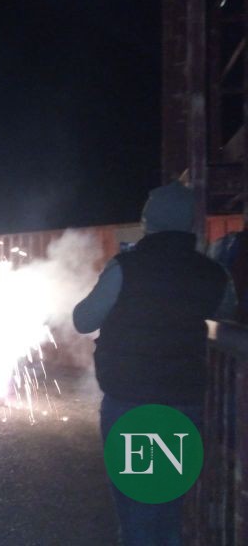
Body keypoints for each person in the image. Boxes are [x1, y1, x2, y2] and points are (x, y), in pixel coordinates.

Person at [72, 181, 236, 546]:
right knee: (167, 505)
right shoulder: (212, 273)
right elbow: (228, 314)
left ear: (149, 221)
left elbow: (83, 320)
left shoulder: (126, 268)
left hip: (129, 403)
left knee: (136, 510)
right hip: (184, 404)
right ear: (190, 223)